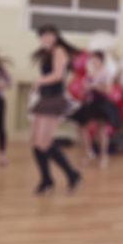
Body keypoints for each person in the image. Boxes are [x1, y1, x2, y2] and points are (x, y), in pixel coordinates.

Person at [30, 24, 81, 195]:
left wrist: (39, 81)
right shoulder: (46, 53)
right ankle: (46, 180)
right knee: (36, 143)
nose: (46, 38)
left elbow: (59, 75)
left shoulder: (59, 51)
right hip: (44, 98)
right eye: (43, 35)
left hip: (54, 99)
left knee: (43, 143)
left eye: (49, 35)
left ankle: (71, 174)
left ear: (56, 36)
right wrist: (39, 87)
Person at [70, 51, 121, 168]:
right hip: (90, 102)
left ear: (101, 60)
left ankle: (104, 156)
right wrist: (84, 91)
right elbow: (85, 89)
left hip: (102, 103)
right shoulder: (89, 73)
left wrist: (94, 86)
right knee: (81, 126)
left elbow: (108, 91)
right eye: (92, 60)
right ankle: (89, 152)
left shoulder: (106, 73)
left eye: (95, 59)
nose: (93, 62)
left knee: (101, 130)